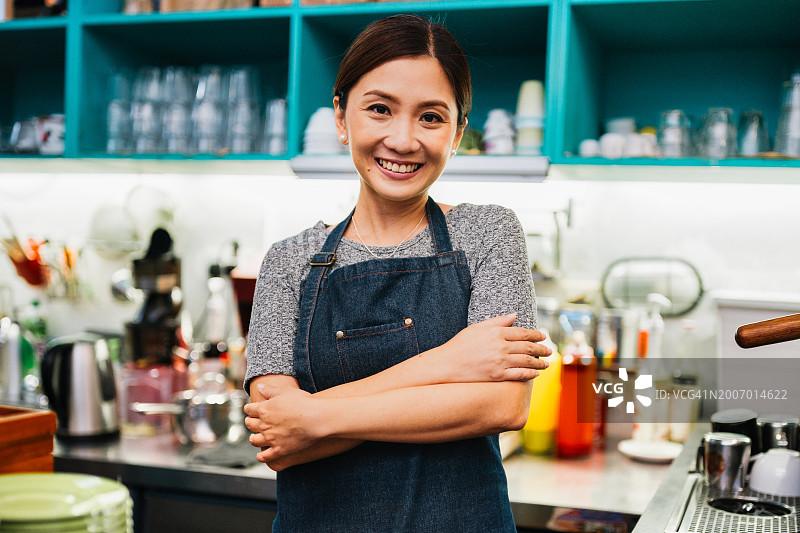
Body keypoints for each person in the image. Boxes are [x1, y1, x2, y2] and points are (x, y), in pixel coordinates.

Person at [243, 14, 550, 532]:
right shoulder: (287, 261)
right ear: (341, 118)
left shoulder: (489, 233)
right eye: (380, 109)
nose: (403, 140)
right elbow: (279, 440)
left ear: (458, 134)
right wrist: (451, 361)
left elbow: (501, 404)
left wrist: (316, 416)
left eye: (431, 117)